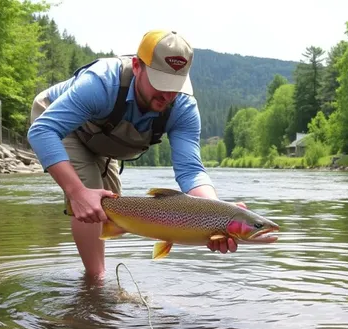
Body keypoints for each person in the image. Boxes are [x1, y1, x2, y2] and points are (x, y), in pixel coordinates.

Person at [27, 29, 242, 279]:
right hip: (60, 124)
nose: (167, 95)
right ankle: (95, 287)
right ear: (137, 66)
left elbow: (191, 170)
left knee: (113, 209)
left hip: (103, 140)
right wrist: (77, 193)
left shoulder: (182, 107)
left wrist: (218, 213)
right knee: (89, 195)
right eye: (160, 84)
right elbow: (43, 130)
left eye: (174, 86)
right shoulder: (101, 83)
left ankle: (95, 285)